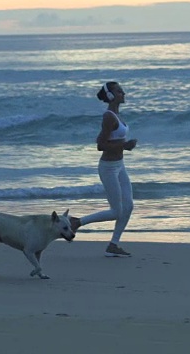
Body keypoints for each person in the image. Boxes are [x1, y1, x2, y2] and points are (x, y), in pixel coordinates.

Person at [70, 81, 137, 257]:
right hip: (108, 168)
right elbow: (100, 145)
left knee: (128, 206)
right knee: (116, 211)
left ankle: (113, 245)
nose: (123, 93)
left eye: (122, 90)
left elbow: (115, 141)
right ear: (110, 96)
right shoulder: (109, 117)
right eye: (119, 91)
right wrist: (125, 146)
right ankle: (77, 222)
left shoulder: (117, 115)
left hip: (119, 165)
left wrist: (124, 147)